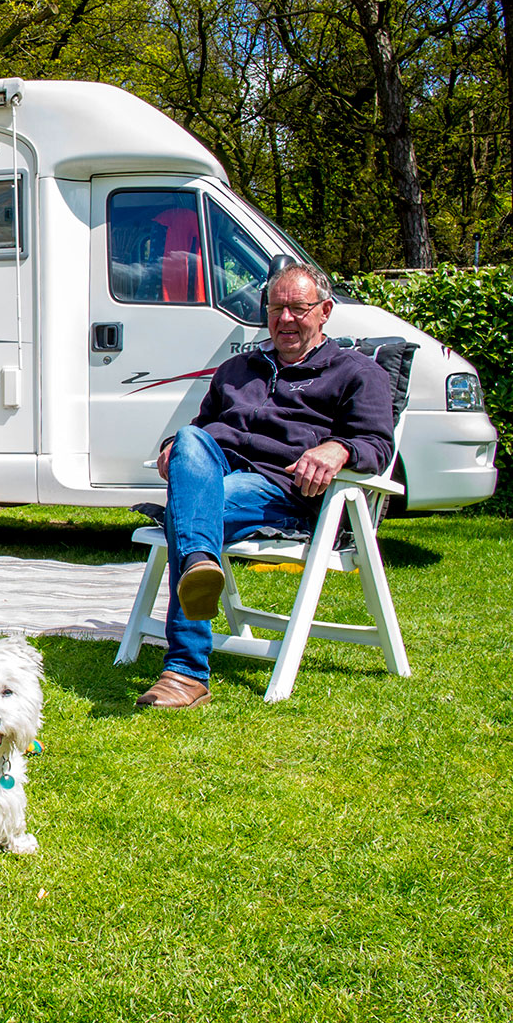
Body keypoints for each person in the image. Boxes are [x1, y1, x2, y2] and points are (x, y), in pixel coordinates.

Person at [142, 263, 396, 709]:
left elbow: (376, 445)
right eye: (276, 308)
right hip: (219, 474)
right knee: (186, 440)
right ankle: (200, 569)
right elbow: (202, 429)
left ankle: (185, 667)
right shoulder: (238, 368)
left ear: (325, 311)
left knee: (192, 517)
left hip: (283, 489)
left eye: (298, 308)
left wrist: (339, 449)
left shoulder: (356, 372)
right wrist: (173, 447)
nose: (284, 319)